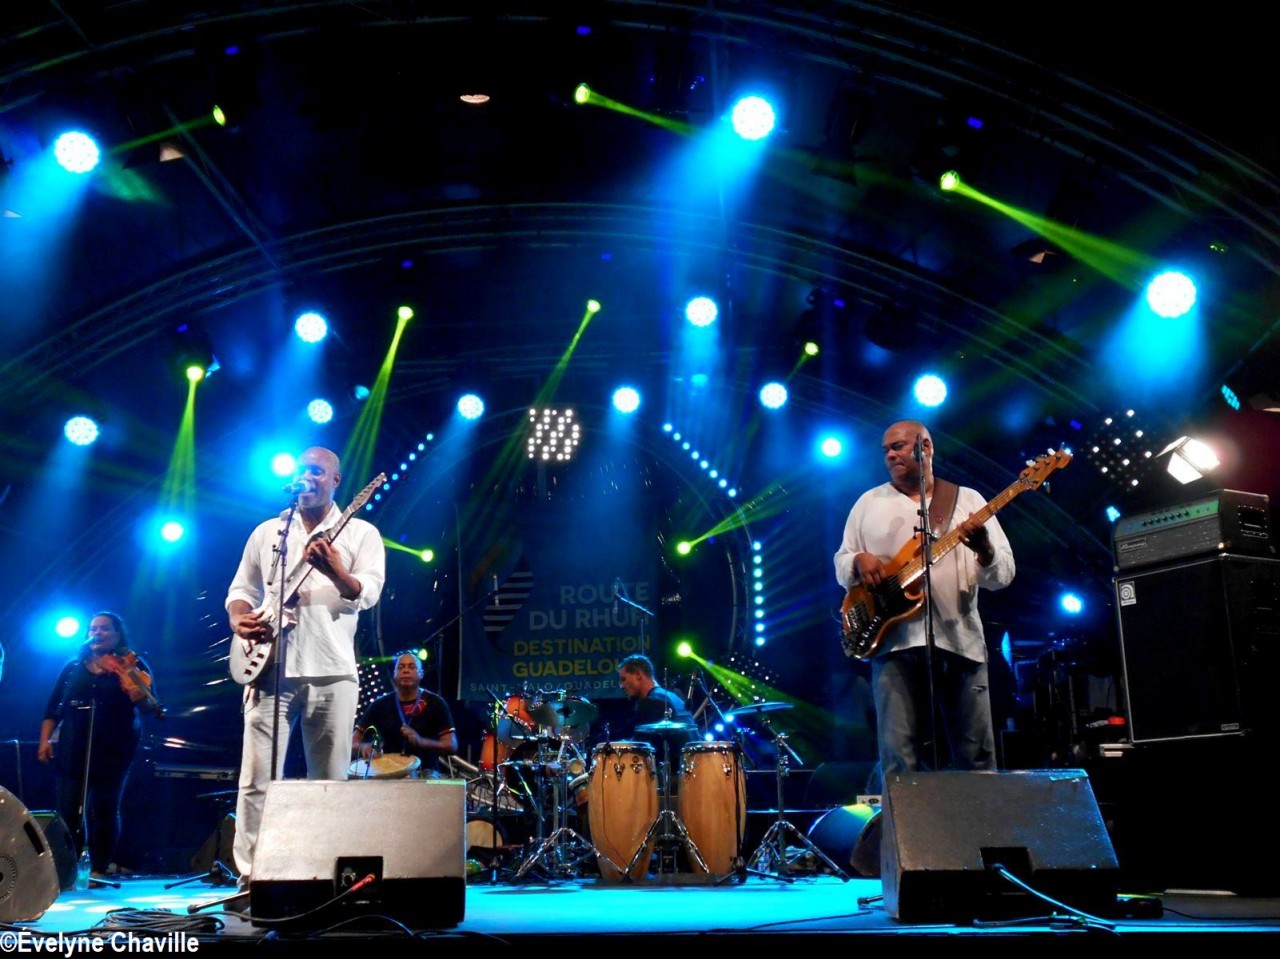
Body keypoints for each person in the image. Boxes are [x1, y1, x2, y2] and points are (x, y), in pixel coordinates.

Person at [226, 446, 385, 884]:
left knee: (328, 782)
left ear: (335, 480)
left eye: (317, 471)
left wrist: (336, 571)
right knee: (256, 779)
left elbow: (368, 593)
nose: (307, 477)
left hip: (333, 671)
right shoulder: (269, 532)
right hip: (270, 669)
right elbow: (241, 590)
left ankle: (325, 876)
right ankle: (251, 878)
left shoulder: (361, 532)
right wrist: (239, 619)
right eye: (302, 470)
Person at [833, 420, 1015, 779]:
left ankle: (977, 818)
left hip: (960, 643)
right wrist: (857, 561)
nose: (890, 455)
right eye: (886, 450)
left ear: (926, 447)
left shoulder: (968, 500)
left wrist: (985, 550)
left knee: (976, 760)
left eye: (898, 446)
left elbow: (1004, 574)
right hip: (894, 645)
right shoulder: (868, 503)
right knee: (899, 762)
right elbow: (841, 564)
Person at [38, 612, 157, 878]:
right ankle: (67, 869)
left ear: (117, 634)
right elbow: (53, 707)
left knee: (104, 807)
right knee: (68, 808)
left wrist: (137, 691)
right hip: (73, 745)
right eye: (93, 629)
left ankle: (99, 868)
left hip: (114, 747)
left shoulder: (132, 665)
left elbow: (148, 706)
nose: (97, 633)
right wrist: (45, 740)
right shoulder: (73, 667)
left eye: (104, 629)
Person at [352, 651, 457, 773]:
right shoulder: (380, 704)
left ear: (421, 674)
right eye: (401, 667)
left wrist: (421, 741)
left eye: (412, 667)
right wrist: (364, 747)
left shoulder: (436, 703)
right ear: (394, 674)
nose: (406, 670)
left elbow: (451, 746)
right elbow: (353, 742)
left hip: (425, 772)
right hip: (388, 771)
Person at [617, 654, 696, 752]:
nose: (621, 686)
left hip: (678, 761)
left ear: (638, 675)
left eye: (623, 679)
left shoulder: (652, 702)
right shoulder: (673, 697)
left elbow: (641, 748)